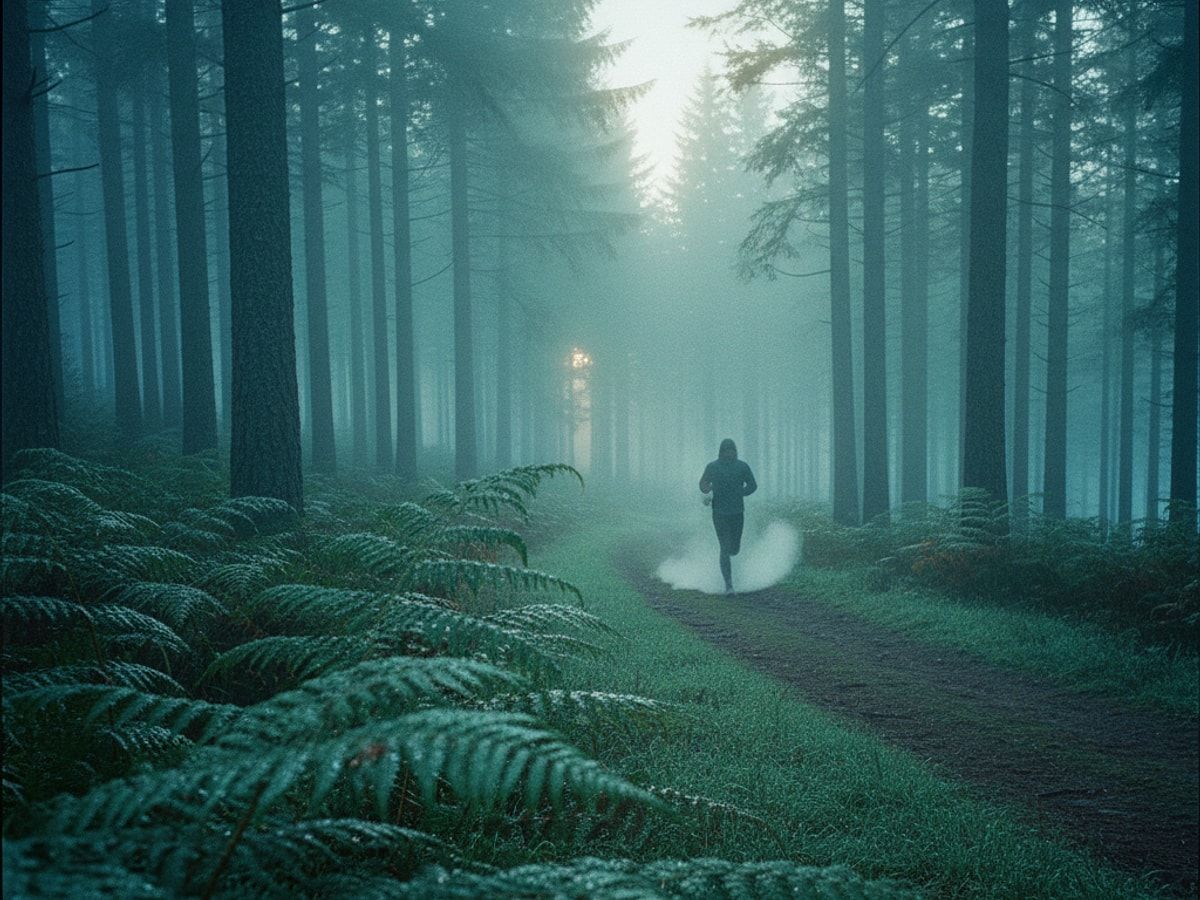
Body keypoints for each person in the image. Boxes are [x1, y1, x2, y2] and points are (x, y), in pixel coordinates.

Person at [699, 438, 757, 593]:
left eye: (731, 450)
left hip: (737, 512)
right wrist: (707, 491)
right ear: (721, 451)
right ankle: (729, 585)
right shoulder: (712, 467)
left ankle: (731, 568)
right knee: (724, 547)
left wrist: (741, 492)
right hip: (719, 513)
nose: (729, 453)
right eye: (726, 450)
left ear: (735, 451)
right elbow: (703, 483)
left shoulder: (742, 467)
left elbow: (753, 485)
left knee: (734, 549)